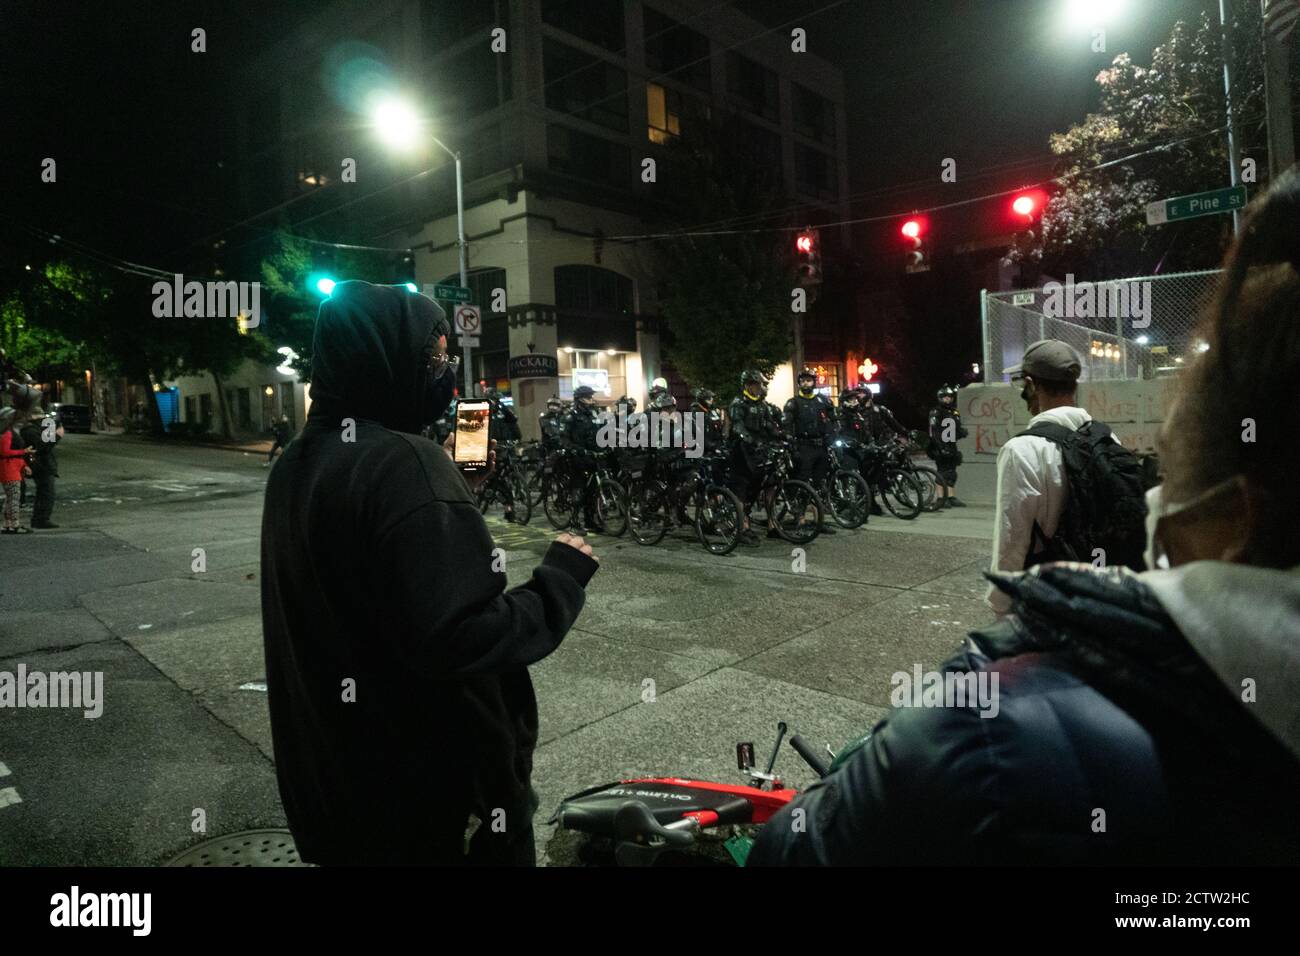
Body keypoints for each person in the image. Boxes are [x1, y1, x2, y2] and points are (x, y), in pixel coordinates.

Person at [749, 169, 1300, 867]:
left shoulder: (1027, 449)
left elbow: (1009, 562)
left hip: (1050, 648)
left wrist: (994, 651)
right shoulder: (1106, 442)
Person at [260, 281, 599, 866]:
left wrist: (454, 493)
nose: (444, 371)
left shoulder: (298, 462)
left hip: (338, 794)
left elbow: (376, 587)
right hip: (437, 810)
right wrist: (561, 579)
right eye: (434, 357)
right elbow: (463, 634)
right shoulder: (405, 462)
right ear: (384, 356)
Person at [986, 338, 1147, 614]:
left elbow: (1012, 539)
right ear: (1073, 385)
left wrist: (1001, 602)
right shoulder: (1106, 437)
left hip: (1049, 596)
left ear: (1032, 385)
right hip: (1102, 589)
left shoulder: (1021, 449)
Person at [728, 369, 781, 544]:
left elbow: (770, 426)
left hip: (760, 452)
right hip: (742, 452)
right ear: (748, 385)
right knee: (743, 490)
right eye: (756, 384)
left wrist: (782, 436)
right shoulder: (738, 403)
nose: (759, 388)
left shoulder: (762, 404)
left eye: (760, 384)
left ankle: (773, 525)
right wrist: (751, 440)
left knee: (770, 484)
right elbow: (738, 427)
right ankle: (743, 528)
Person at [783, 368, 837, 534]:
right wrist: (791, 443)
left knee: (819, 484)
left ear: (814, 382)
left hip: (821, 446)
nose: (806, 383)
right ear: (799, 383)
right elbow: (786, 426)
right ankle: (801, 520)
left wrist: (832, 435)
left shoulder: (824, 401)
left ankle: (818, 521)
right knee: (803, 484)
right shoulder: (793, 403)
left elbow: (834, 420)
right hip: (803, 447)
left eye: (809, 380)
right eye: (803, 380)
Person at [563, 385, 604, 533]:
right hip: (577, 458)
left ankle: (590, 520)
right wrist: (576, 450)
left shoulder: (594, 414)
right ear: (579, 399)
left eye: (591, 397)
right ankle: (574, 522)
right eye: (588, 397)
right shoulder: (571, 416)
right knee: (578, 490)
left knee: (592, 491)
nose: (591, 400)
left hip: (592, 456)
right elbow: (565, 438)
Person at [19, 407, 62, 529]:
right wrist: (58, 435)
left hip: (41, 464)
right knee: (46, 492)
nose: (44, 419)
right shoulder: (30, 430)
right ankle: (40, 519)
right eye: (41, 416)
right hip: (41, 465)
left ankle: (40, 518)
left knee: (45, 492)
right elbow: (44, 446)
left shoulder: (35, 428)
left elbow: (46, 443)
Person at [927, 384, 968, 508]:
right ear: (940, 398)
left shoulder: (954, 411)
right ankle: (940, 498)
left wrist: (961, 432)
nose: (947, 399)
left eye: (949, 397)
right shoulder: (936, 412)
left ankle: (951, 496)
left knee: (951, 471)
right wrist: (940, 447)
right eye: (945, 397)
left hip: (951, 444)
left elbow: (954, 429)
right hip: (939, 445)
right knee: (942, 471)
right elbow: (933, 431)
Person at [1, 416, 29, 535]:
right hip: (10, 469)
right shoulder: (7, 433)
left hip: (11, 468)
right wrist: (24, 452)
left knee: (10, 498)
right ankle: (15, 524)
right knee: (14, 498)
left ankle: (8, 524)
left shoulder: (8, 432)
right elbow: (4, 451)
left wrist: (24, 465)